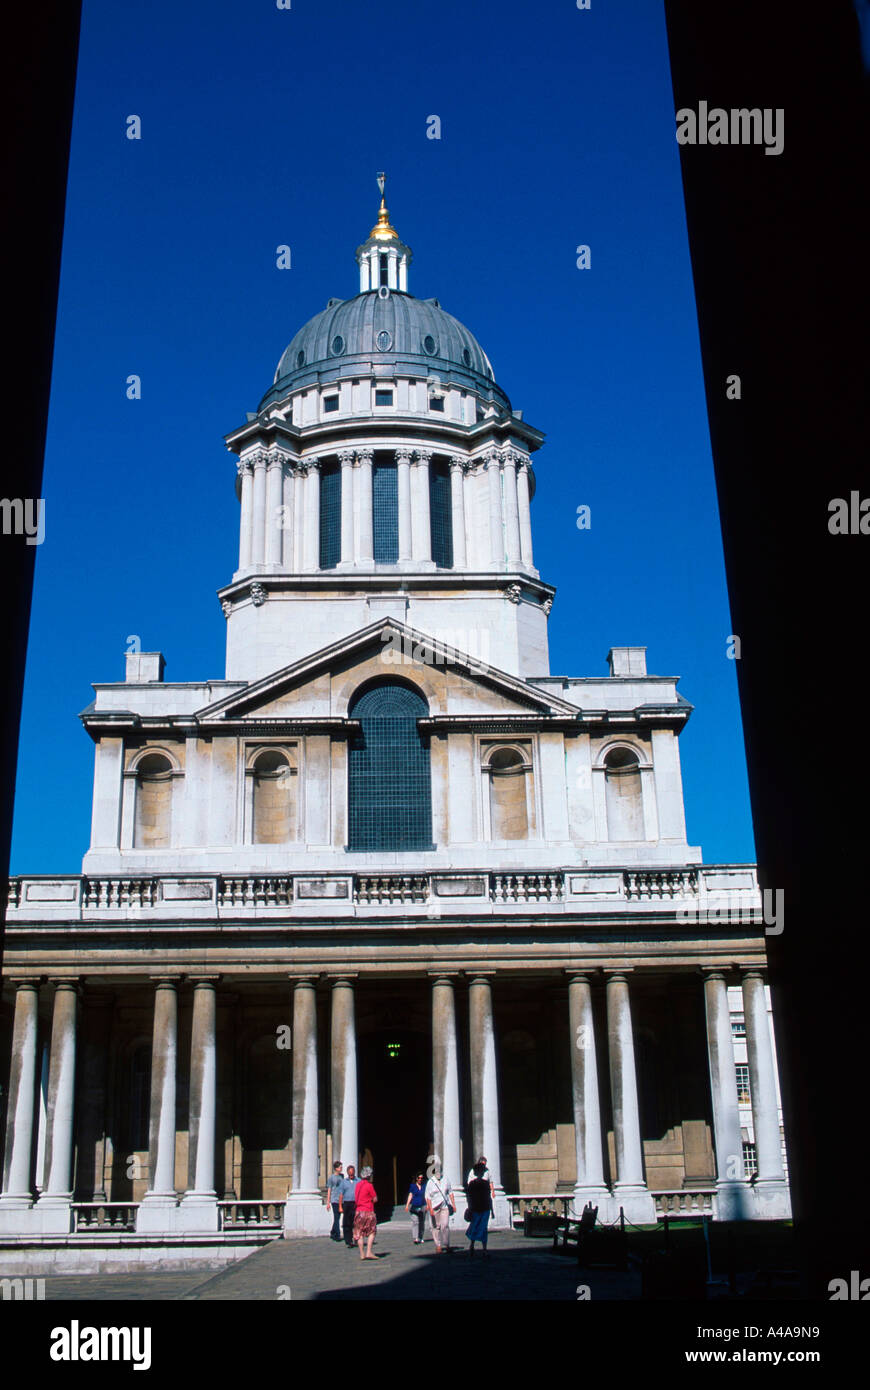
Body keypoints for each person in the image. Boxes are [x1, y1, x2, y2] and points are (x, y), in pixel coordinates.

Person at [425, 1163, 456, 1254]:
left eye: (440, 1171)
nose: (439, 1173)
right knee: (436, 1227)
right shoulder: (430, 1182)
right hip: (434, 1207)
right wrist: (430, 1209)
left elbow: (450, 1192)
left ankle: (446, 1245)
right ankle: (438, 1245)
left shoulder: (446, 1179)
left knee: (445, 1225)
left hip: (445, 1206)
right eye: (437, 1171)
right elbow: (428, 1197)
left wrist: (453, 1204)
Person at [465, 1160, 493, 1257]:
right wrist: (470, 1208)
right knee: (475, 1227)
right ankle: (472, 1245)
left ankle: (484, 1248)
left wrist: (491, 1210)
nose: (481, 1173)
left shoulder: (485, 1183)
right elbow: (469, 1197)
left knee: (483, 1228)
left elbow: (488, 1197)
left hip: (484, 1208)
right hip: (476, 1209)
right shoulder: (472, 1184)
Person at [353, 1165, 378, 1260]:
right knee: (372, 1231)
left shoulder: (358, 1185)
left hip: (358, 1212)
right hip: (368, 1211)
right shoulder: (369, 1185)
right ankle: (369, 1252)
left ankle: (362, 1254)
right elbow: (375, 1199)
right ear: (369, 1175)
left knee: (359, 1233)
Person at [405, 1171, 427, 1244]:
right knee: (415, 1222)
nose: (420, 1179)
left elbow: (426, 1196)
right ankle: (415, 1238)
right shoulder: (413, 1186)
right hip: (414, 1206)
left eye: (421, 1178)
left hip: (423, 1205)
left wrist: (428, 1205)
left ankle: (421, 1237)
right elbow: (410, 1195)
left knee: (421, 1222)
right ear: (416, 1178)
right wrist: (407, 1205)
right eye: (419, 1178)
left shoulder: (424, 1186)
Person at [325, 1160, 344, 1241]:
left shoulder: (342, 1176)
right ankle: (337, 1234)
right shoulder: (331, 1178)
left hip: (341, 1199)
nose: (341, 1168)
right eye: (340, 1167)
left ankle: (333, 1232)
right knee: (336, 1216)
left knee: (338, 1217)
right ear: (336, 1168)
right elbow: (329, 1190)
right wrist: (328, 1202)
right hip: (334, 1199)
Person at [340, 1164, 358, 1247]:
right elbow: (341, 1195)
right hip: (346, 1203)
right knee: (347, 1222)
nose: (351, 1175)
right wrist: (340, 1206)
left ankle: (357, 1239)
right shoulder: (344, 1182)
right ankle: (348, 1240)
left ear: (354, 1172)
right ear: (347, 1173)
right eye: (349, 1174)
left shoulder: (358, 1181)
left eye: (352, 1173)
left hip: (355, 1203)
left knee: (356, 1222)